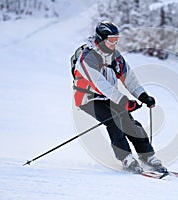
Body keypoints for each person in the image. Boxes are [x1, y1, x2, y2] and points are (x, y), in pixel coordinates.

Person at [70, 20, 167, 173]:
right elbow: (100, 84)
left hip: (109, 97)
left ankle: (147, 156)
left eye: (117, 40)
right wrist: (123, 101)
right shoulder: (87, 57)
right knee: (114, 120)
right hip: (88, 99)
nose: (114, 44)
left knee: (129, 121)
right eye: (111, 40)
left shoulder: (115, 57)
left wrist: (143, 96)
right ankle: (126, 158)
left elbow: (129, 79)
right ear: (101, 39)